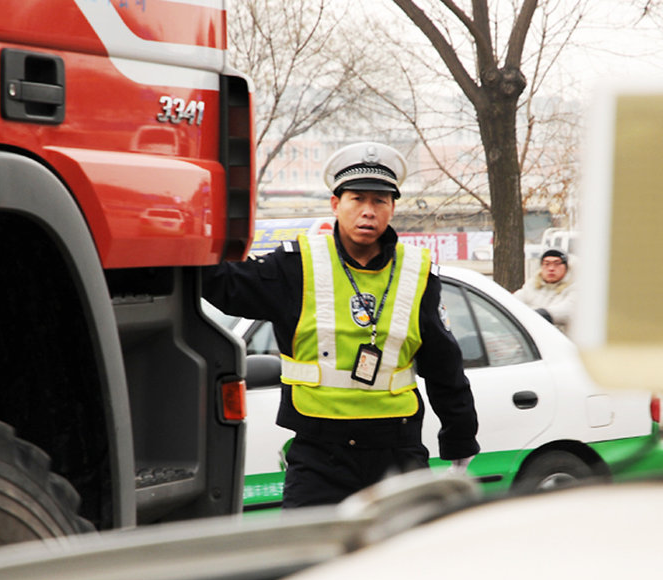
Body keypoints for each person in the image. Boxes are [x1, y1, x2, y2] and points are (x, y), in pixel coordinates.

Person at [202, 141, 479, 508]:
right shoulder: (296, 266)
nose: (368, 211)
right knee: (310, 558)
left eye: (380, 201)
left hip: (396, 450)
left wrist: (460, 439)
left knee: (406, 561)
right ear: (336, 204)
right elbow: (224, 284)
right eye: (357, 199)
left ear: (393, 207)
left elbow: (444, 364)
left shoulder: (417, 273)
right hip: (320, 455)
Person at [514, 248, 576, 335]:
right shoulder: (531, 286)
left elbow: (568, 310)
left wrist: (542, 314)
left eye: (557, 263)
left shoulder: (576, 288)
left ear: (566, 267)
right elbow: (513, 302)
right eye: (546, 264)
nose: (551, 268)